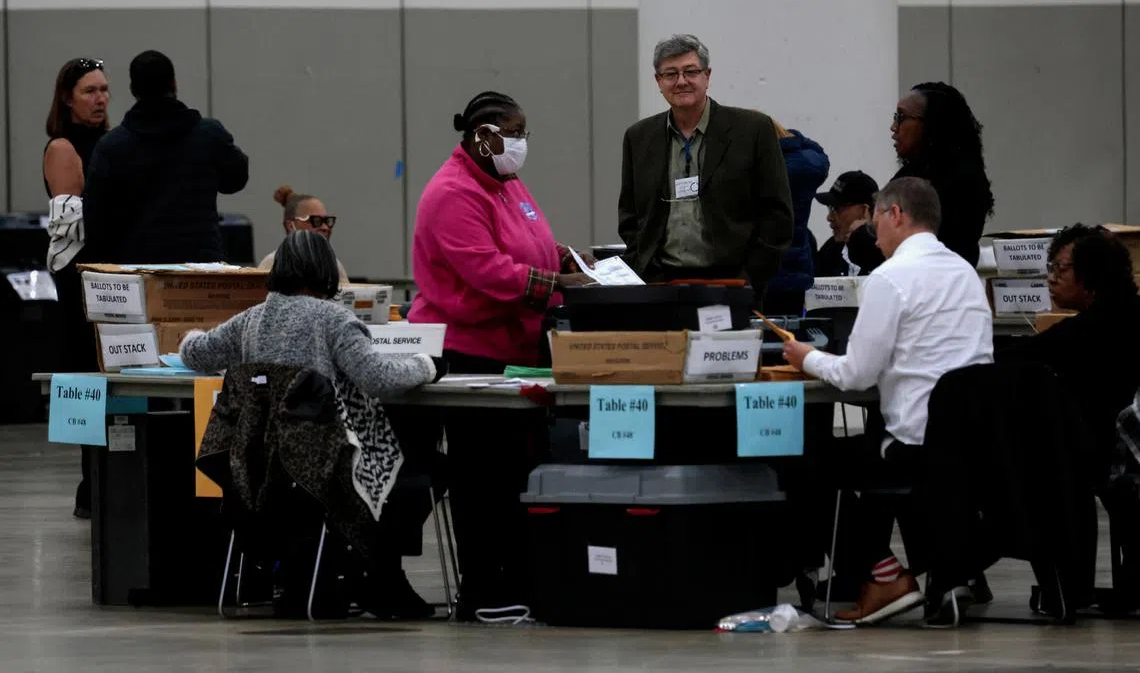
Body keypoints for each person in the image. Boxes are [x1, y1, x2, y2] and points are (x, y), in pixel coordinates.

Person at [180, 230, 446, 619]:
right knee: (427, 469)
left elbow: (197, 354)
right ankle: (378, 575)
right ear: (326, 272)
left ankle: (363, 575)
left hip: (258, 470)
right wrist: (427, 365)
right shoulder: (335, 320)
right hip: (320, 469)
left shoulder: (251, 319)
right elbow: (378, 378)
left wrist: (187, 335)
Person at [408, 90, 592, 621]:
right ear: (484, 137)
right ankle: (485, 589)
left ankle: (522, 577)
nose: (522, 143)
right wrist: (557, 283)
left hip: (517, 347)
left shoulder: (506, 183)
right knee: (482, 477)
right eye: (515, 133)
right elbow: (486, 270)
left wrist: (573, 259)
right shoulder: (452, 193)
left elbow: (532, 245)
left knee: (519, 471)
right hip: (470, 351)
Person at [782, 177, 994, 625]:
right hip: (971, 445)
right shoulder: (965, 274)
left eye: (875, 219)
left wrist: (807, 358)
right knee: (871, 442)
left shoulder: (890, 278)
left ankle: (884, 576)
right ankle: (927, 570)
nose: (871, 232)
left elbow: (856, 373)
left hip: (915, 445)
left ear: (896, 214)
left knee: (802, 461)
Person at [618, 34, 793, 298]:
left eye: (690, 71)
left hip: (733, 285)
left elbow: (778, 215)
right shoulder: (639, 137)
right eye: (670, 74)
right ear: (658, 81)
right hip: (661, 287)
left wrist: (750, 278)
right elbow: (630, 216)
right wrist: (648, 270)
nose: (681, 81)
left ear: (707, 76)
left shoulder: (752, 131)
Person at [999, 225, 1140, 478]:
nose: (1051, 278)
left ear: (1091, 276)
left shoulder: (1084, 333)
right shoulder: (1127, 312)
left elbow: (1016, 356)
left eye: (1060, 269)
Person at [83, 50, 249, 264]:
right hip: (201, 267)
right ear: (174, 84)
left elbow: (95, 221)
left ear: (133, 89)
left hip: (138, 270)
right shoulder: (208, 134)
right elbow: (236, 179)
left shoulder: (111, 147)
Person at [43, 57, 111, 520]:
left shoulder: (112, 143)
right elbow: (72, 225)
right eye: (89, 91)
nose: (100, 98)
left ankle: (111, 477)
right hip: (79, 277)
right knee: (85, 379)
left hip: (111, 274)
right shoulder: (63, 147)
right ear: (68, 98)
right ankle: (90, 484)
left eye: (104, 89)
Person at [846, 82, 994, 272]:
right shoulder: (964, 174)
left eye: (901, 117)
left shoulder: (931, 184)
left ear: (932, 122)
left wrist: (861, 234)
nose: (893, 127)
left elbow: (891, 250)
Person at [763, 122, 830, 315]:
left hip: (762, 272)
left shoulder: (763, 169)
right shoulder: (806, 165)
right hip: (795, 270)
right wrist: (794, 138)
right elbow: (816, 152)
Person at [259, 186, 349, 282]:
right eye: (316, 221)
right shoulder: (273, 263)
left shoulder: (333, 265)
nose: (325, 227)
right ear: (291, 226)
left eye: (327, 221)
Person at [813, 171, 879, 277]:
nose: (829, 218)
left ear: (863, 211)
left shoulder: (886, 252)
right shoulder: (830, 250)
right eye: (829, 208)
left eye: (836, 208)